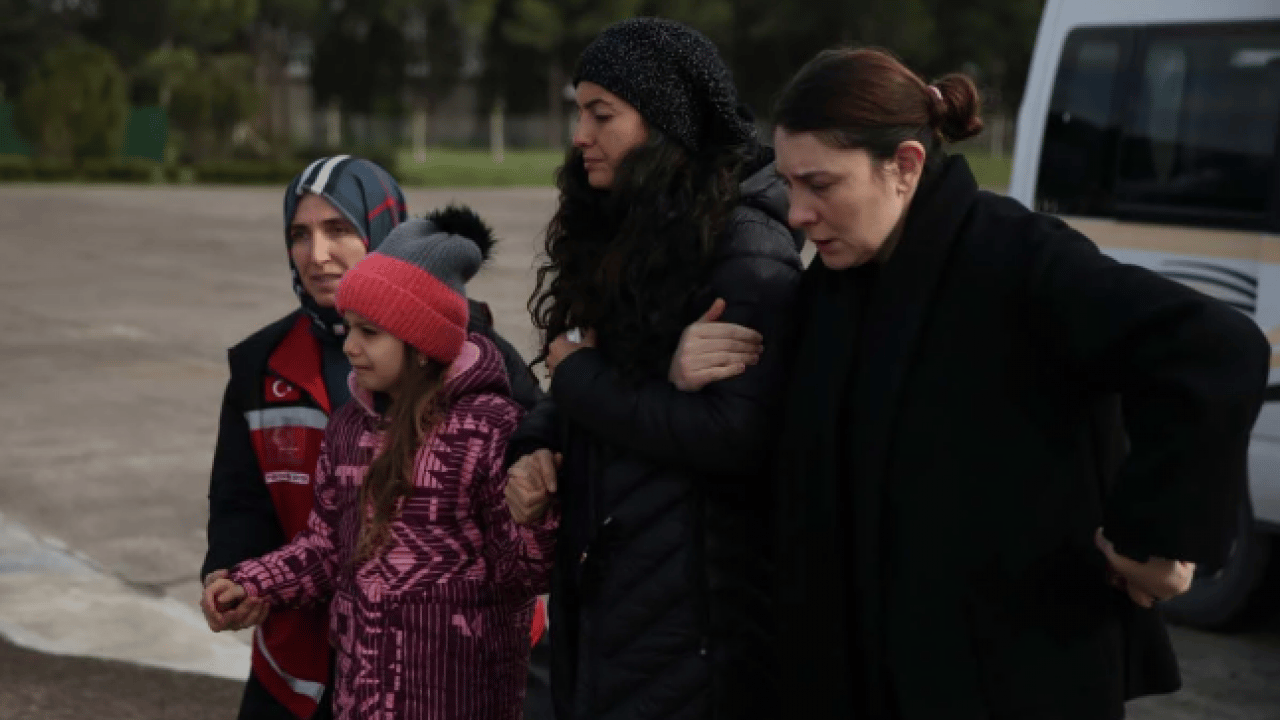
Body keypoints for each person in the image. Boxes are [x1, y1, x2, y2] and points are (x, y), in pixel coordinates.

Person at [668, 47, 1271, 720]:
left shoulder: (1019, 258)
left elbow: (1216, 349)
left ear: (904, 165)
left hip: (1009, 682)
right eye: (789, 185)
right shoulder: (833, 288)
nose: (799, 213)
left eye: (822, 184)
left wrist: (1154, 535)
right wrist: (691, 362)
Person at [501, 17, 804, 720]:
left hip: (691, 630)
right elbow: (580, 367)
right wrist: (533, 449)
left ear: (666, 123)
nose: (580, 136)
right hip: (609, 601)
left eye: (601, 114)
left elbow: (734, 436)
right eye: (579, 111)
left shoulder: (746, 249)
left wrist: (579, 380)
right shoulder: (625, 227)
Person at [198, 156, 545, 719]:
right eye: (299, 234)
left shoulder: (480, 367)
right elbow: (248, 504)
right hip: (309, 670)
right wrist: (236, 572)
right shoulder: (260, 367)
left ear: (384, 234)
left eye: (338, 230)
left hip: (455, 677)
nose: (317, 255)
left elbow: (537, 505)